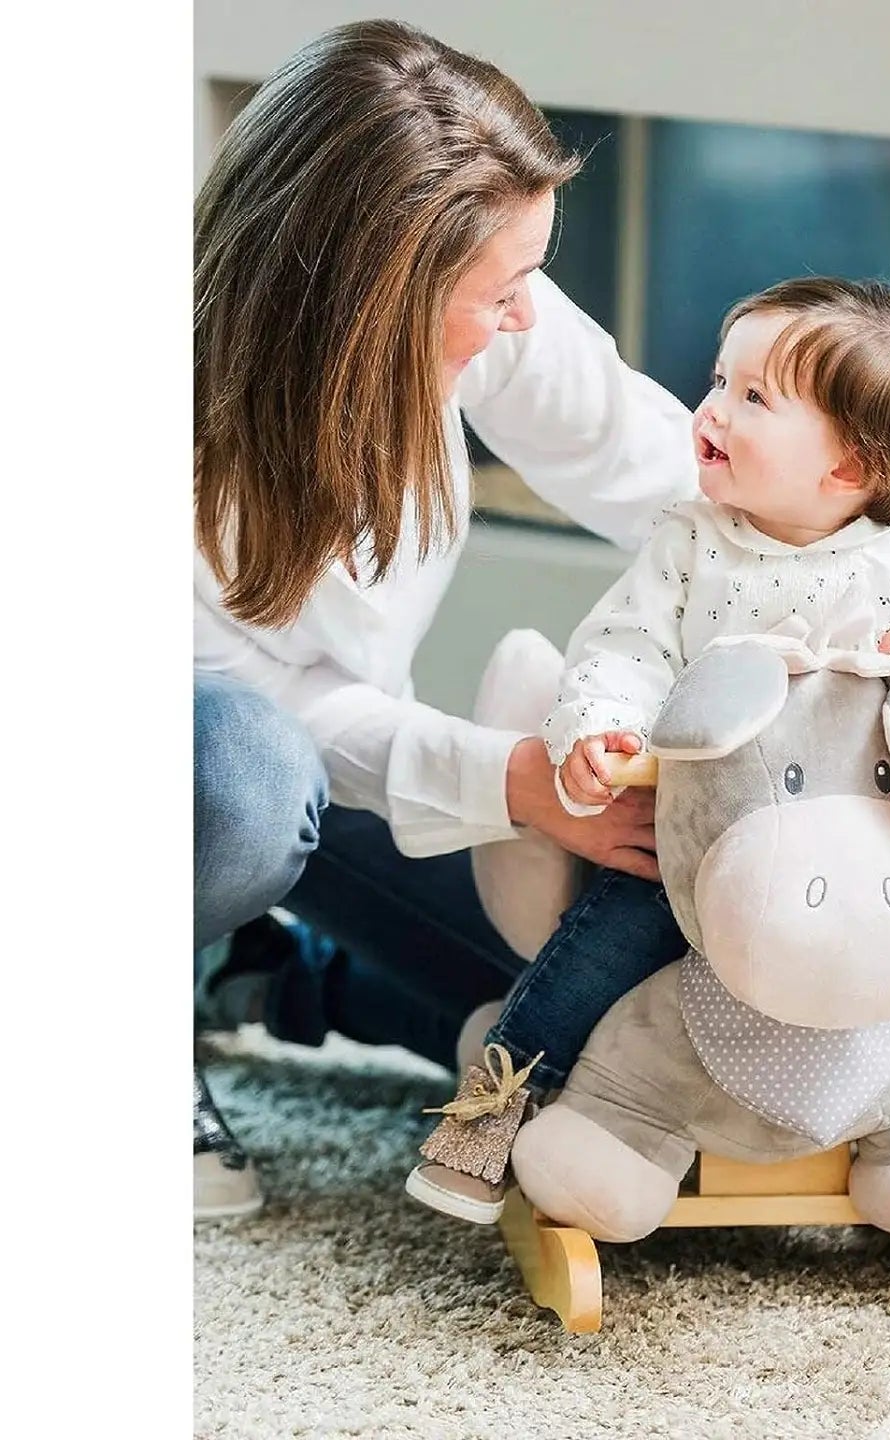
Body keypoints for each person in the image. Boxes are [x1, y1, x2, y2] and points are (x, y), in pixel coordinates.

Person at [406, 278, 890, 1259]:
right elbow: (621, 651)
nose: (712, 408)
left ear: (852, 464)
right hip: (711, 842)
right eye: (722, 379)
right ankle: (506, 1092)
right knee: (604, 934)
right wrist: (601, 728)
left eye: (754, 397)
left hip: (872, 837)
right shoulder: (689, 542)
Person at [193, 19, 696, 1216]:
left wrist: (850, 592)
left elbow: (675, 483)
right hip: (192, 766)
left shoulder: (481, 309)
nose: (528, 315)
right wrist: (513, 781)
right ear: (370, 296)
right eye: (504, 289)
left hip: (342, 771)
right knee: (242, 783)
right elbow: (270, 708)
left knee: (572, 1023)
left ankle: (252, 971)